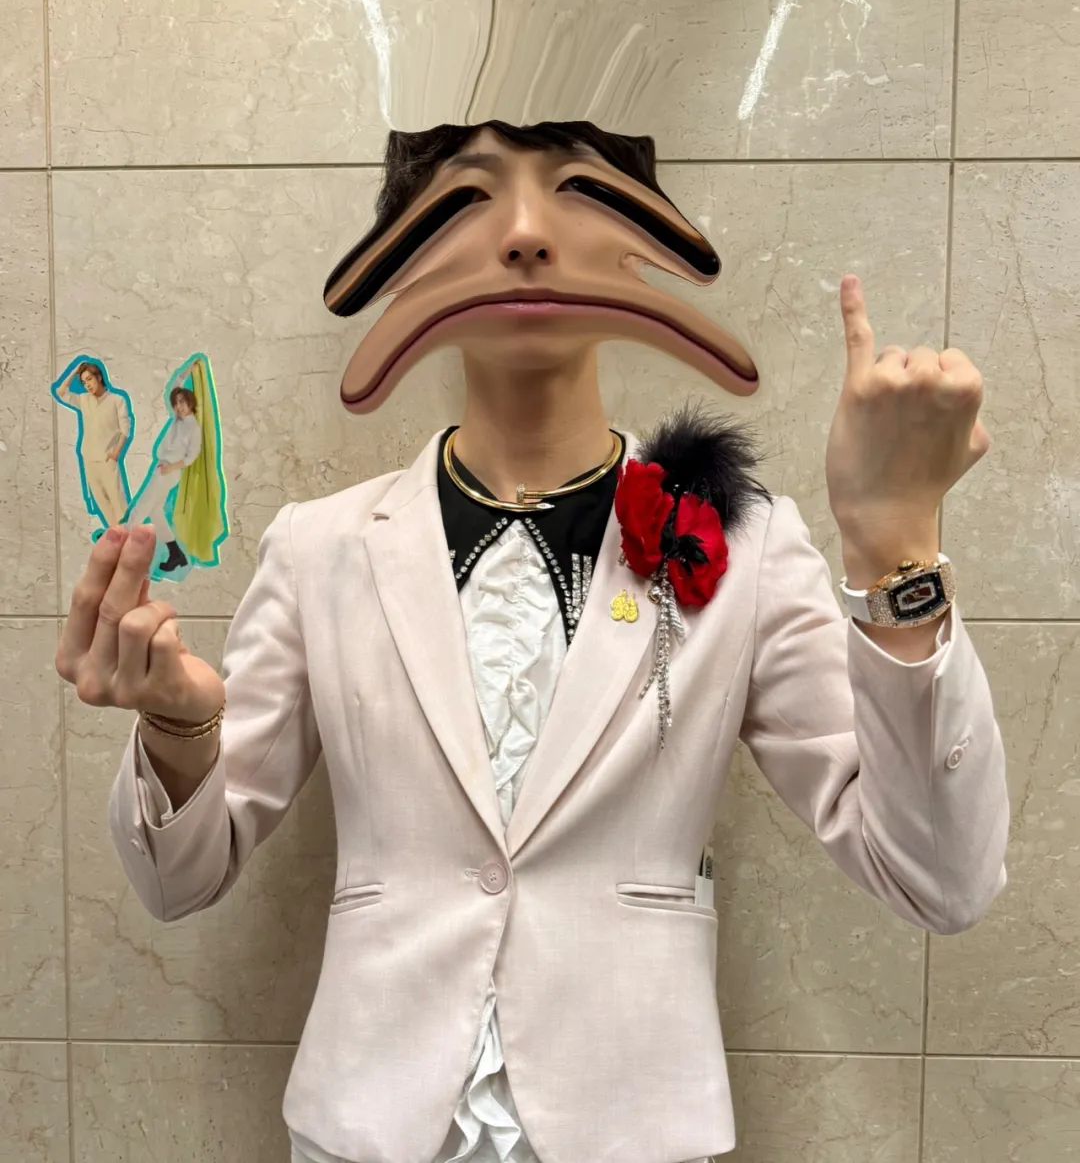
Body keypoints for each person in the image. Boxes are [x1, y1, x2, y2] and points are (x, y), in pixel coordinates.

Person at [55, 121, 1009, 1163]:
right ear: (407, 258)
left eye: (574, 191)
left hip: (633, 1126)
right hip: (368, 1125)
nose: (524, 234)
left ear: (646, 244)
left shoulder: (748, 543)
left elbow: (938, 879)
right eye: (470, 196)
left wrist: (894, 553)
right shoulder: (320, 546)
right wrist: (180, 728)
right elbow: (179, 881)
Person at [124, 385, 202, 573]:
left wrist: (170, 468)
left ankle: (121, 541)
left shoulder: (193, 427)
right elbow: (176, 385)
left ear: (190, 402)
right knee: (156, 512)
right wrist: (186, 373)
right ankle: (176, 553)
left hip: (168, 472)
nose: (179, 406)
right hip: (163, 469)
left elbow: (192, 456)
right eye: (176, 403)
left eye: (182, 402)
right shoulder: (177, 420)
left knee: (142, 506)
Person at [55, 360, 131, 527]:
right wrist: (75, 371)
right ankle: (117, 535)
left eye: (89, 379)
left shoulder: (117, 400)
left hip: (107, 459)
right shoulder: (84, 400)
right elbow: (61, 392)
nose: (87, 385)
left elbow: (125, 430)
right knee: (102, 503)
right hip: (89, 459)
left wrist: (116, 454)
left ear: (99, 377)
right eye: (83, 382)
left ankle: (129, 536)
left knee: (118, 503)